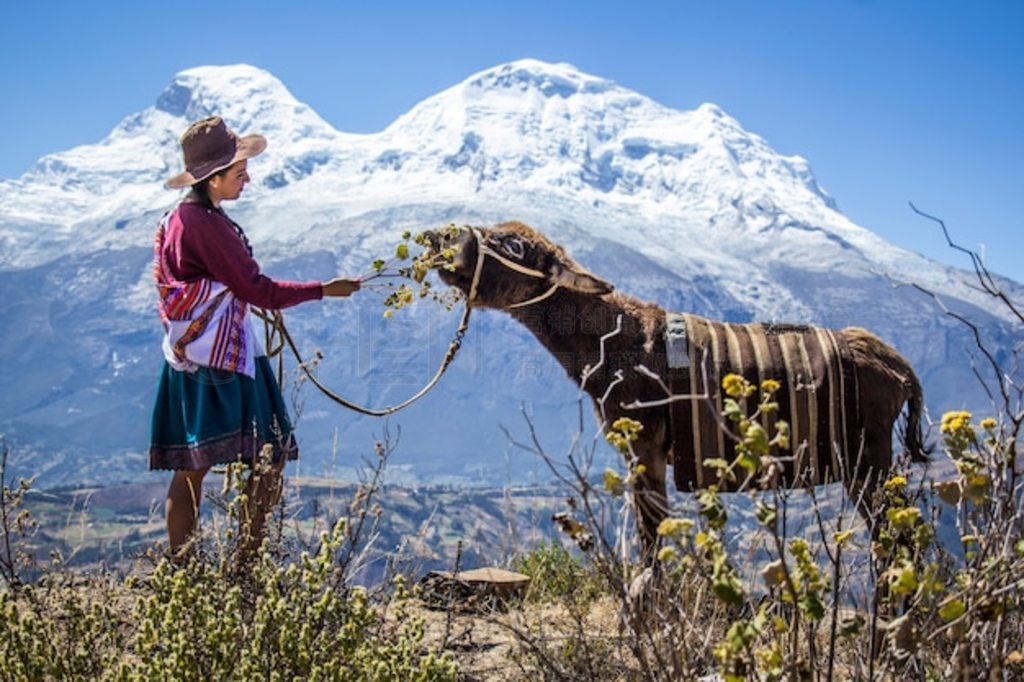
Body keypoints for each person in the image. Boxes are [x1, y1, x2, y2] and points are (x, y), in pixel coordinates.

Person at [149, 116, 359, 558]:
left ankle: (185, 574)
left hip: (196, 354)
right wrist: (325, 289)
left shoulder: (184, 218)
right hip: (222, 363)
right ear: (213, 178)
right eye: (239, 173)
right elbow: (255, 289)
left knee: (193, 467)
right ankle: (243, 567)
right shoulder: (204, 225)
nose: (247, 179)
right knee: (268, 459)